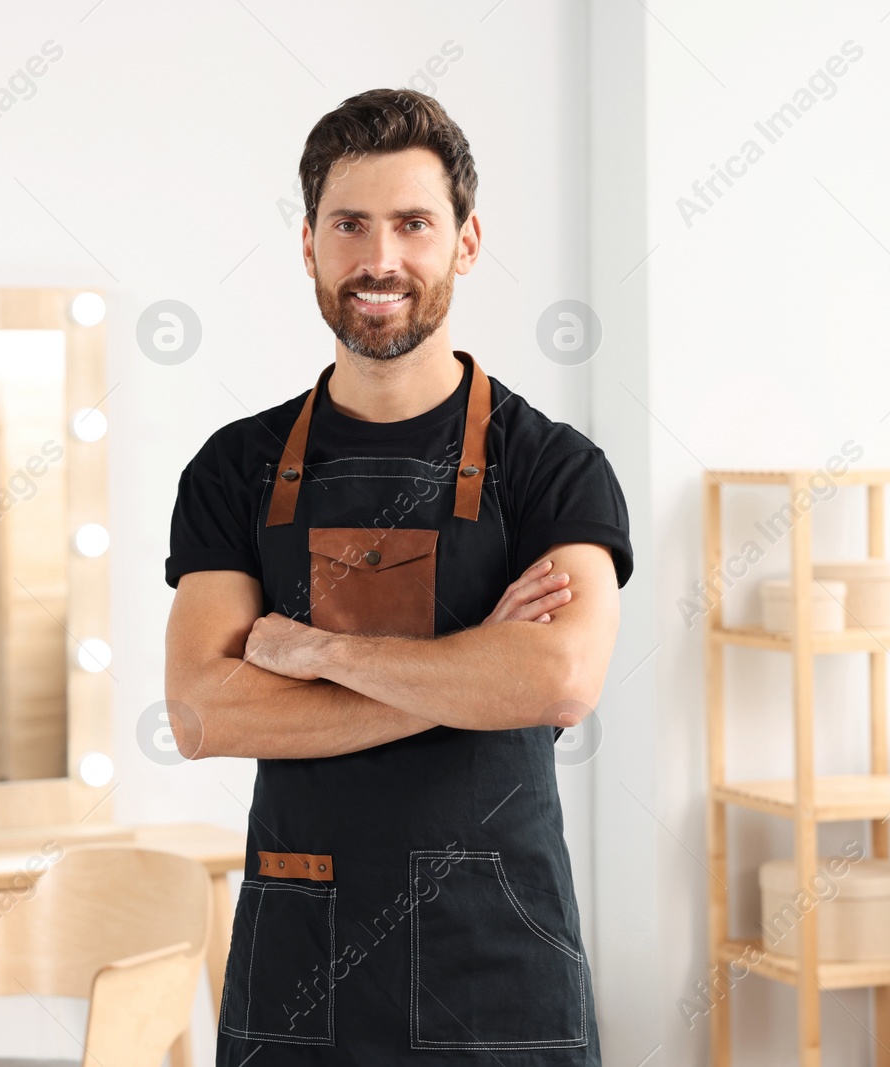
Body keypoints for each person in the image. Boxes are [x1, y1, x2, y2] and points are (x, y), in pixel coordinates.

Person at [164, 88, 632, 1066]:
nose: (380, 260)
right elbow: (206, 713)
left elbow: (559, 680)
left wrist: (313, 653)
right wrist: (474, 678)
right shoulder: (233, 467)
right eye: (350, 225)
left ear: (464, 243)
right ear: (308, 245)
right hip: (301, 956)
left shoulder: (550, 465)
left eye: (413, 224)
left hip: (497, 952)